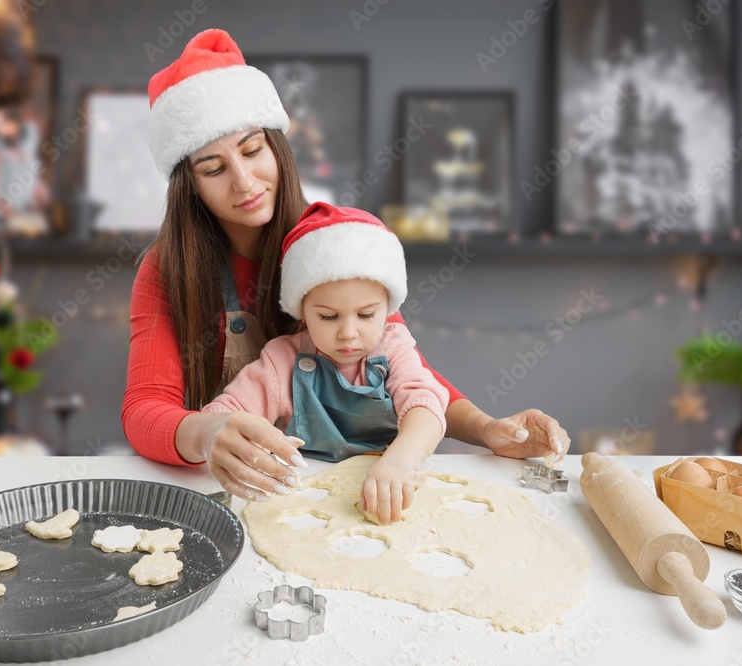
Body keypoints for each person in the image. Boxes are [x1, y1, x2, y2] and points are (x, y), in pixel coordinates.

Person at [122, 28, 569, 503]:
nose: (244, 181)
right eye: (213, 169)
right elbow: (144, 409)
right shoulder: (168, 268)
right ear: (189, 185)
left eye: (253, 151)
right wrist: (207, 433)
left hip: (354, 483)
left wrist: (487, 429)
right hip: (244, 486)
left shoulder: (330, 242)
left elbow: (404, 367)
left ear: (277, 147)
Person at [203, 202, 449, 523]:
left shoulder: (394, 345)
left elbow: (426, 408)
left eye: (366, 314)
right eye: (328, 316)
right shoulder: (281, 361)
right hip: (308, 501)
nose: (348, 333)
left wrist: (398, 463)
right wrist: (233, 440)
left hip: (392, 487)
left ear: (388, 307)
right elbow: (221, 420)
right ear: (302, 311)